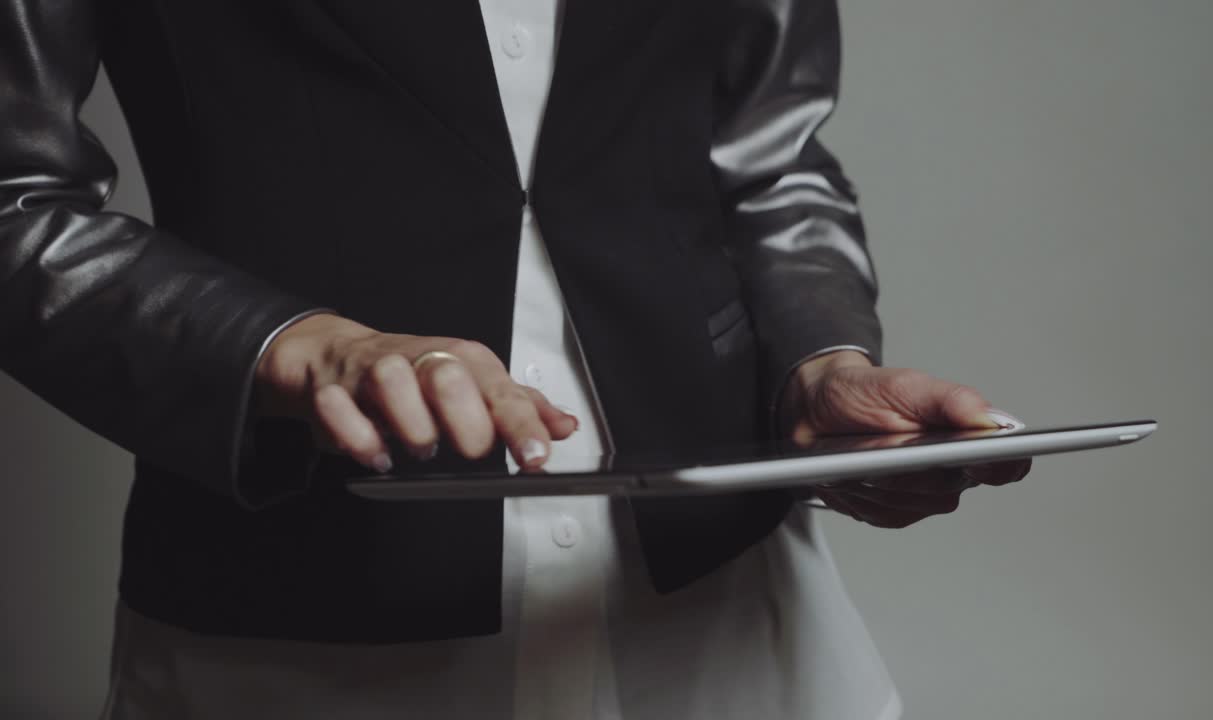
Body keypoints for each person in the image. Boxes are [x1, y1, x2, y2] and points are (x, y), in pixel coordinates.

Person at [0, 0, 1028, 717]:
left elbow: (770, 158)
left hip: (736, 630)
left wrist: (822, 362)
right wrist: (283, 348)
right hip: (298, 635)